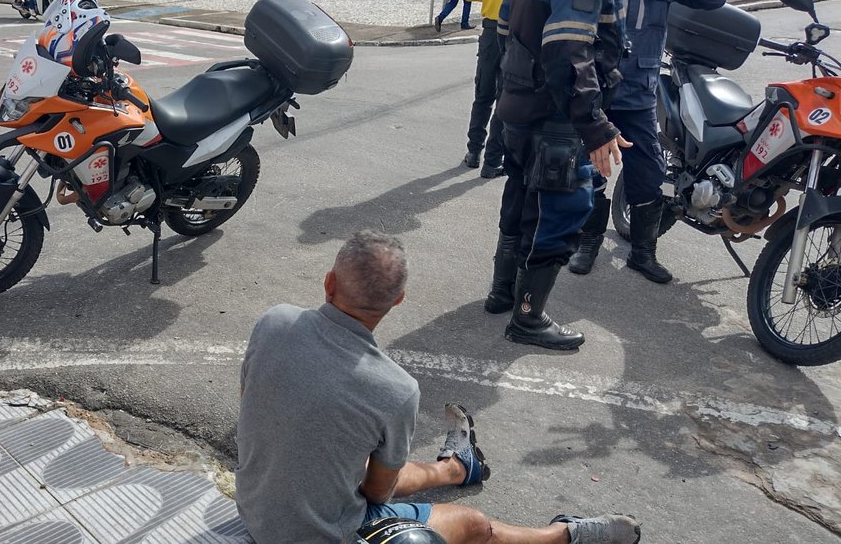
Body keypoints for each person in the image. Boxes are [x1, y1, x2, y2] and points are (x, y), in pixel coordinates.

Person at [236, 230, 643, 544]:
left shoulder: (275, 320)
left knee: (356, 463)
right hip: (318, 535)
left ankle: (457, 467)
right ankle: (563, 535)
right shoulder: (394, 389)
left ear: (328, 283)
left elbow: (258, 405)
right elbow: (378, 494)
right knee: (475, 525)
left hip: (254, 508)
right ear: (398, 301)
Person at [484, 0, 630, 351]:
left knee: (522, 193)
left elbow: (506, 25)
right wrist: (594, 125)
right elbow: (568, 48)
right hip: (555, 114)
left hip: (519, 104)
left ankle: (502, 292)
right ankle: (528, 318)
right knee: (562, 210)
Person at [568, 0, 726, 282]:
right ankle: (587, 242)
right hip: (598, 93)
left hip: (639, 95)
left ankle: (643, 252)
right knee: (587, 170)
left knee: (649, 174)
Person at [461, 0, 544, 177]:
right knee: (505, 97)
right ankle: (492, 162)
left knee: (482, 94)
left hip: (491, 29)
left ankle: (473, 151)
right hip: (524, 36)